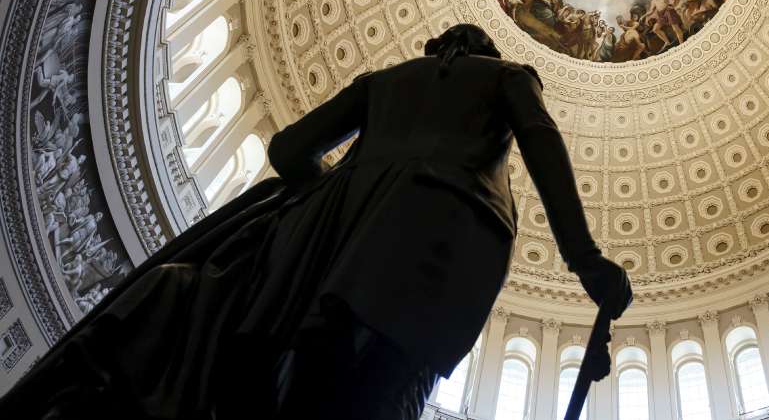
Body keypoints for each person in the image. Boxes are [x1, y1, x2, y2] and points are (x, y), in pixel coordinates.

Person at [0, 23, 633, 420]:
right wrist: (585, 260)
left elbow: (287, 151)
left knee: (309, 367)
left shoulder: (386, 81)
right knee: (388, 381)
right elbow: (542, 144)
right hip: (445, 231)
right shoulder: (505, 78)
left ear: (439, 48)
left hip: (332, 237)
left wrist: (336, 190)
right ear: (485, 51)